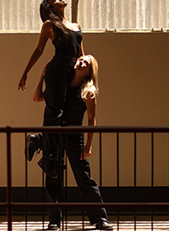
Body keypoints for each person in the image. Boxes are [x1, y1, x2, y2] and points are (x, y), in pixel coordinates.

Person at [27, 55, 113, 231]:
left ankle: (100, 218)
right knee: (53, 178)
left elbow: (91, 119)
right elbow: (37, 98)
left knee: (84, 178)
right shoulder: (61, 84)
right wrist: (43, 75)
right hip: (56, 134)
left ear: (90, 70)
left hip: (74, 136)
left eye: (85, 62)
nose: (80, 62)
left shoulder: (87, 91)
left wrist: (89, 144)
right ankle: (54, 221)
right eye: (80, 59)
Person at [19, 0, 85, 179]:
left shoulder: (76, 26)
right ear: (49, 6)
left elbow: (81, 54)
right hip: (56, 71)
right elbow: (39, 50)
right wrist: (26, 72)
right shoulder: (49, 25)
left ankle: (38, 139)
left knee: (64, 115)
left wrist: (87, 76)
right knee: (54, 113)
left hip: (71, 73)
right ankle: (49, 160)